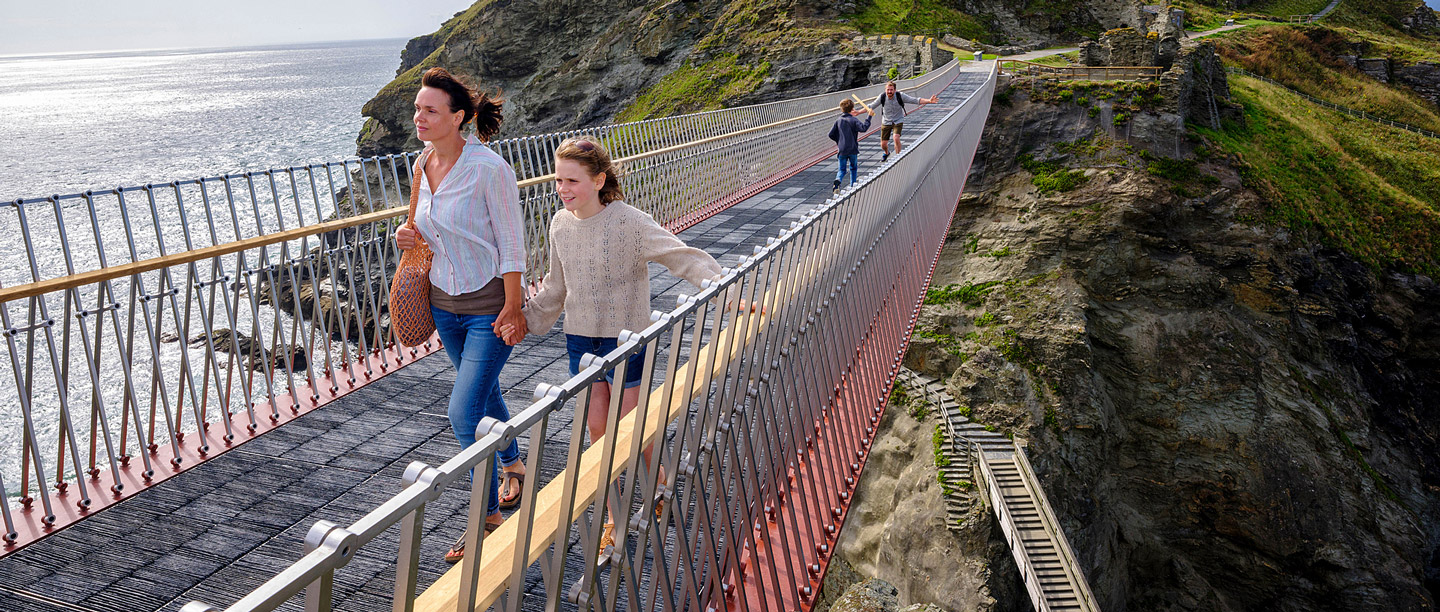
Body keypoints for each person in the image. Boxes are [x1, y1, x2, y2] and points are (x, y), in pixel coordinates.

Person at [516, 136, 742, 557]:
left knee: (633, 426)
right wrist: (524, 321)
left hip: (628, 339)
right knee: (599, 430)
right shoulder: (559, 224)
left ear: (599, 179)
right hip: (581, 339)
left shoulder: (632, 222)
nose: (562, 189)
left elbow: (684, 257)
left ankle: (658, 482)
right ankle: (614, 516)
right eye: (557, 180)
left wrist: (730, 294)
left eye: (571, 180)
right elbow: (555, 286)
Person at [393, 67, 528, 564]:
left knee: (462, 412)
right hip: (441, 305)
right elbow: (426, 231)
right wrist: (409, 239)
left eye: (430, 110)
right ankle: (513, 464)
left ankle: (485, 517)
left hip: (489, 305)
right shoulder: (420, 164)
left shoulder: (489, 168)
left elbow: (512, 243)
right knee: (484, 393)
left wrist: (514, 306)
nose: (419, 117)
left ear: (459, 117)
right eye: (417, 109)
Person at [870, 81, 940, 162]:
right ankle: (886, 152)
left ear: (895, 90)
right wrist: (858, 112)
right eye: (888, 90)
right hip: (886, 121)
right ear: (885, 90)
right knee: (883, 144)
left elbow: (915, 100)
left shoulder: (900, 96)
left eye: (891, 90)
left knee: (896, 138)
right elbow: (871, 106)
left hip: (898, 120)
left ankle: (897, 158)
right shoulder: (882, 97)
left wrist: (929, 101)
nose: (889, 92)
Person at [828, 98, 873, 194]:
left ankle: (837, 181)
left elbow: (830, 134)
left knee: (842, 170)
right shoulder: (853, 120)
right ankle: (853, 186)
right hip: (853, 149)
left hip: (842, 150)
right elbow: (863, 128)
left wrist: (839, 141)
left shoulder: (838, 120)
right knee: (853, 168)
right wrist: (869, 117)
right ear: (852, 109)